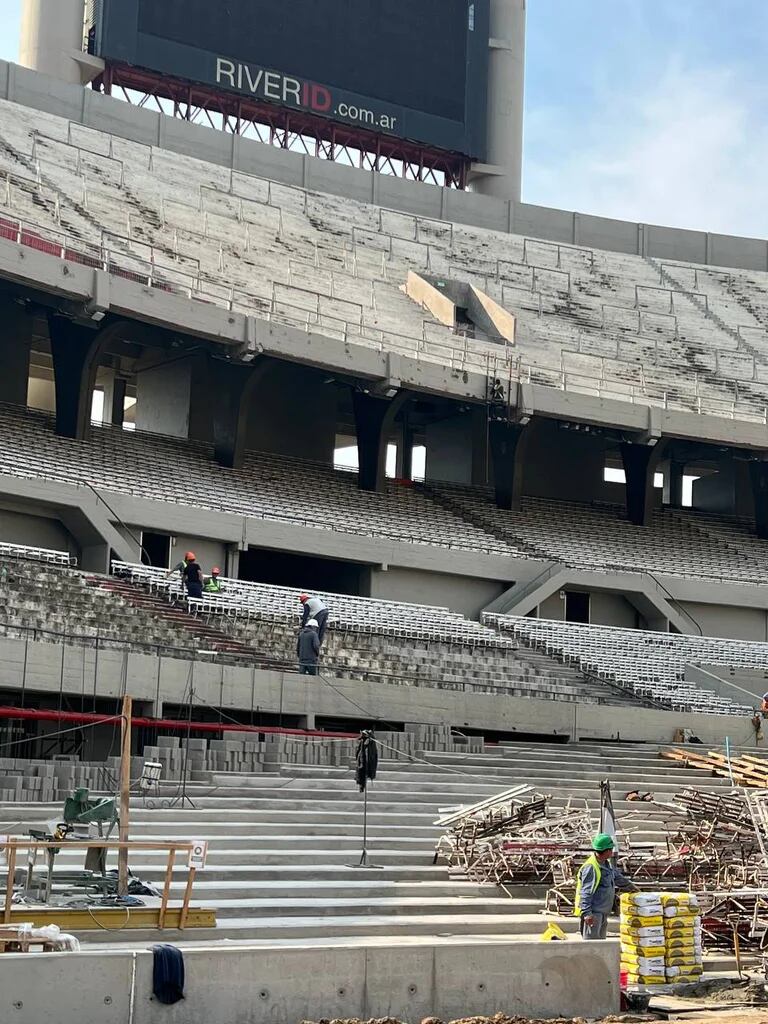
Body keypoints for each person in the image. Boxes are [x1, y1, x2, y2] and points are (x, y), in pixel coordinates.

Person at [574, 833, 634, 939]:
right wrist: (587, 913)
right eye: (611, 849)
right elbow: (586, 892)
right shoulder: (591, 867)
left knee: (600, 944)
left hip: (603, 912)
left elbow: (618, 878)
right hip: (594, 913)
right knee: (592, 946)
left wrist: (633, 889)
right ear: (606, 851)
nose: (612, 851)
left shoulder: (606, 864)